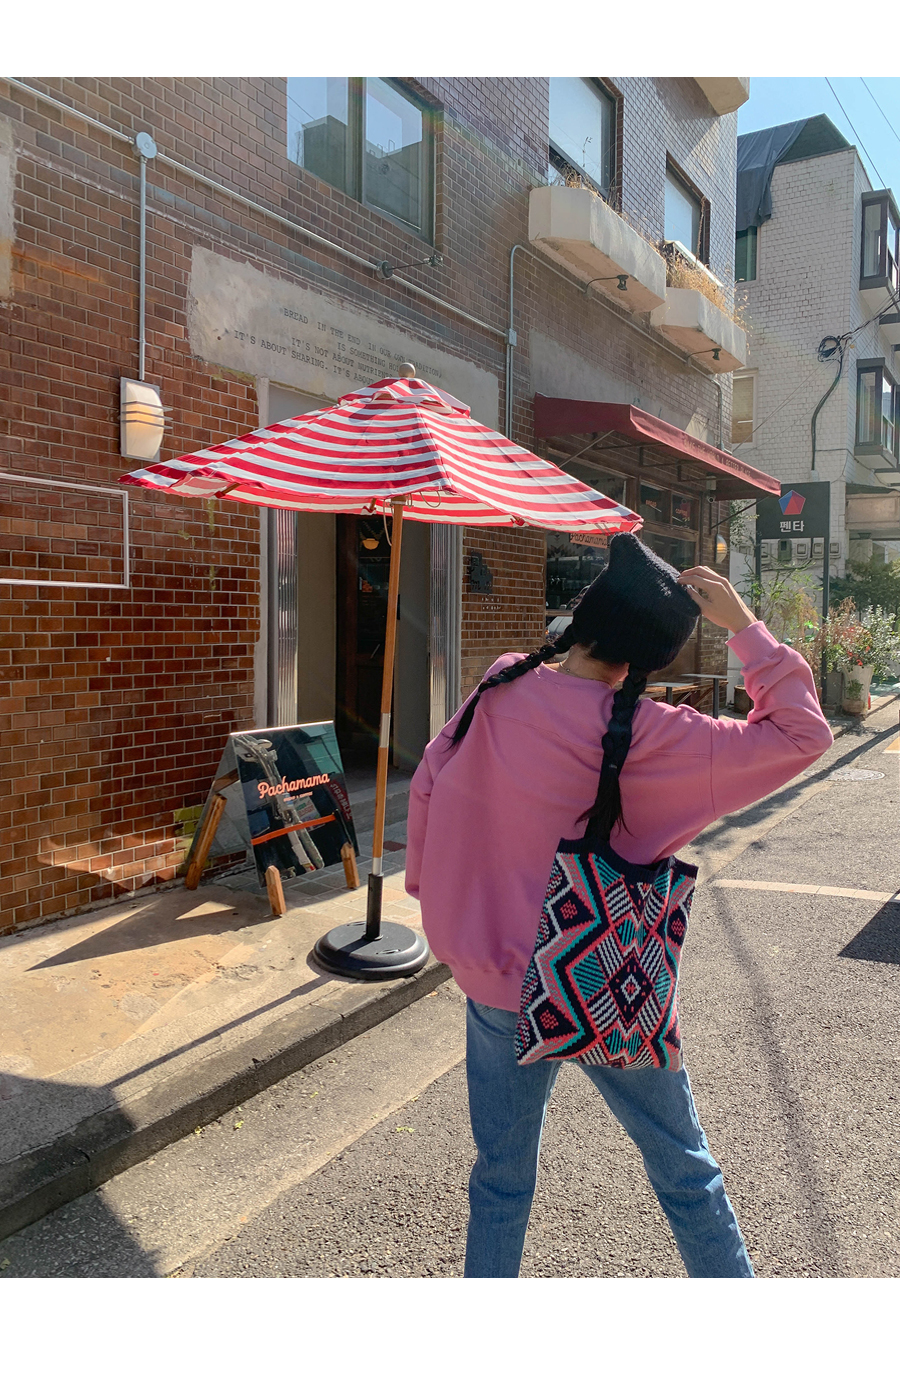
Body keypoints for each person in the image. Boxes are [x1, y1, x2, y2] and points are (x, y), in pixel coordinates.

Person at [404, 533, 833, 1278]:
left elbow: (428, 785)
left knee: (499, 1178)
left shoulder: (502, 682)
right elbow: (801, 734)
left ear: (584, 616)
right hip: (604, 980)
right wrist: (745, 628)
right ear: (652, 657)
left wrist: (435, 894)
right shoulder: (657, 736)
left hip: (493, 978)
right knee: (684, 1170)